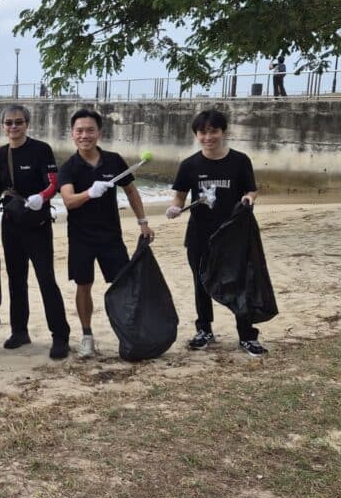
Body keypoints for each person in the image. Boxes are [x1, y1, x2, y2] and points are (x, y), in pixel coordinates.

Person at [166, 109, 266, 356]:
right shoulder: (189, 165)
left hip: (233, 234)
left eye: (213, 131)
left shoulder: (240, 161)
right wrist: (175, 208)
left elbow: (252, 190)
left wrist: (248, 198)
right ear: (196, 134)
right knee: (201, 282)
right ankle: (204, 330)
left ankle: (246, 335)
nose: (208, 137)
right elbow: (179, 196)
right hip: (200, 234)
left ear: (223, 132)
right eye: (203, 132)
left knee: (240, 282)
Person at [58, 109, 155, 359]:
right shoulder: (69, 167)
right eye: (79, 131)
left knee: (123, 285)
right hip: (81, 237)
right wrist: (89, 193)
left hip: (111, 236)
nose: (84, 135)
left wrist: (143, 221)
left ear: (99, 133)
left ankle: (128, 334)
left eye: (90, 130)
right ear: (72, 134)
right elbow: (68, 200)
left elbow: (131, 191)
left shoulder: (114, 160)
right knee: (84, 285)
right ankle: (87, 335)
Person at [0, 104, 69, 355]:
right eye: (9, 123)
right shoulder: (0, 155)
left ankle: (60, 336)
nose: (13, 127)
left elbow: (54, 183)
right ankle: (20, 331)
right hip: (11, 225)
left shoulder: (41, 150)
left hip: (38, 225)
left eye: (18, 122)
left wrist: (41, 197)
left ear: (27, 124)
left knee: (46, 280)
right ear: (3, 126)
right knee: (16, 280)